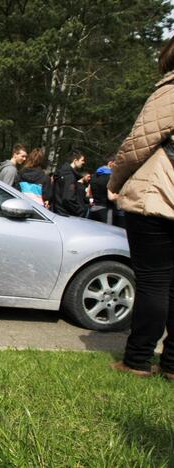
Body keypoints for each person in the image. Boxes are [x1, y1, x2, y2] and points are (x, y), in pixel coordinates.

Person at [107, 37, 174, 381]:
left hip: (158, 198)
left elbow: (138, 143)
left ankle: (137, 360)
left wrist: (115, 181)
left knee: (153, 282)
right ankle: (172, 365)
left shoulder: (171, 89)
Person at [89, 155, 125, 227]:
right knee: (107, 234)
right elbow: (111, 197)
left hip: (93, 209)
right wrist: (123, 196)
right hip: (106, 211)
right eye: (116, 164)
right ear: (110, 163)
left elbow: (89, 194)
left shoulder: (94, 176)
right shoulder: (110, 176)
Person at [51, 150, 87, 217]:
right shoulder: (69, 176)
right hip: (64, 214)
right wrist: (80, 211)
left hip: (57, 212)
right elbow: (68, 198)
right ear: (75, 160)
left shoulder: (62, 173)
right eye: (82, 160)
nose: (83, 162)